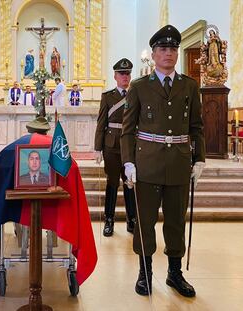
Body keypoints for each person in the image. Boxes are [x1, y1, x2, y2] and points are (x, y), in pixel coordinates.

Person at [121, 25, 205, 298]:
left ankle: (174, 273)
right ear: (154, 54)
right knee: (145, 221)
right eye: (163, 49)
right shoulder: (138, 87)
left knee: (175, 222)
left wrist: (199, 159)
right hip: (147, 164)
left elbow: (197, 127)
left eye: (173, 49)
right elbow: (127, 130)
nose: (168, 53)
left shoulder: (190, 86)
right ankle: (145, 273)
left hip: (179, 163)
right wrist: (128, 162)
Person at [94, 58, 136, 237]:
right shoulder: (108, 97)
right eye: (121, 74)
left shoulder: (136, 95)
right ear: (115, 76)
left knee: (130, 183)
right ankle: (109, 220)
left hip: (131, 147)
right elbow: (101, 122)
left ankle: (131, 220)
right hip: (111, 147)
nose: (125, 77)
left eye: (127, 74)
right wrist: (97, 148)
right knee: (112, 184)